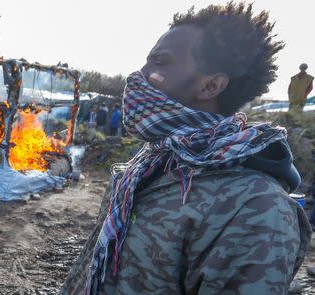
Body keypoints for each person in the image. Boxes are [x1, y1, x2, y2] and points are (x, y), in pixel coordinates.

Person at [60, 3, 312, 295]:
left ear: (210, 86)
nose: (139, 75)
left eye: (160, 62)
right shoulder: (153, 163)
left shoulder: (254, 208)